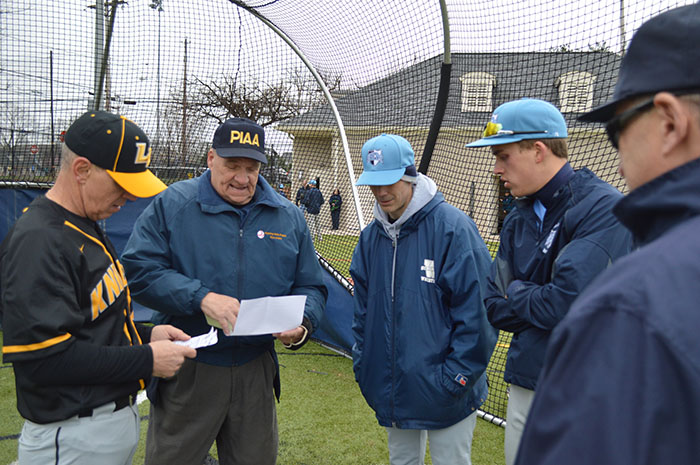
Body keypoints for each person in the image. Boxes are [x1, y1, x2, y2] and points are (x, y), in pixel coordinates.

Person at [515, 5, 700, 464]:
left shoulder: (631, 305)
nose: (618, 159)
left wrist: (521, 295)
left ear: (671, 122)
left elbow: (561, 298)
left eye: (617, 130)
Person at [121, 117, 327, 465]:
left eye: (252, 167)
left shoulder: (288, 216)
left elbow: (312, 286)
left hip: (255, 368)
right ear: (210, 159)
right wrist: (200, 297)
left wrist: (303, 324)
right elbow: (138, 271)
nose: (243, 178)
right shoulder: (174, 204)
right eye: (232, 165)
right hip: (189, 365)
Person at [0, 111, 196, 465]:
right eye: (121, 184)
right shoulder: (39, 240)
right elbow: (45, 362)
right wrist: (146, 359)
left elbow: (90, 326)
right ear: (82, 170)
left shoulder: (84, 221)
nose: (129, 197)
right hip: (71, 434)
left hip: (97, 428)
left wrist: (145, 335)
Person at [465, 98, 632, 465]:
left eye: (503, 156)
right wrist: (540, 296)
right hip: (526, 382)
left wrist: (521, 291)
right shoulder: (517, 218)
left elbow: (567, 303)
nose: (496, 169)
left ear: (538, 150)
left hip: (587, 388)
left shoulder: (602, 207)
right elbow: (494, 307)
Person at [350, 134, 497, 465]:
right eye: (374, 183)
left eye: (390, 181)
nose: (381, 192)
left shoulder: (454, 229)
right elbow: (361, 313)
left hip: (448, 391)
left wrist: (453, 379)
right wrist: (364, 365)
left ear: (410, 173)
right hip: (392, 389)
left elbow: (480, 314)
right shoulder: (369, 238)